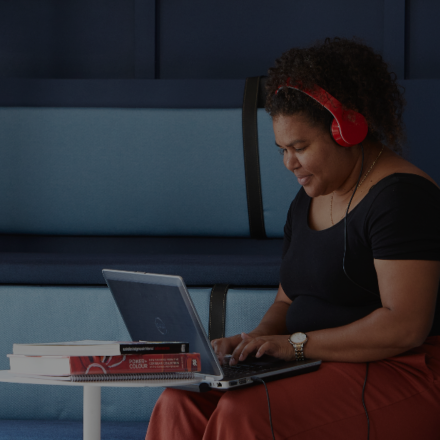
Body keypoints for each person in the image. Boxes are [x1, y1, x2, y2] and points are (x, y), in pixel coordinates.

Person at [145, 38, 440, 440]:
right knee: (179, 401)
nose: (289, 164)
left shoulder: (401, 197)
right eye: (282, 149)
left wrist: (295, 345)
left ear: (347, 129)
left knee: (243, 413)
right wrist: (256, 341)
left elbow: (404, 326)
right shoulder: (306, 200)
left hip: (406, 372)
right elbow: (287, 300)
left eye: (300, 147)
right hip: (317, 365)